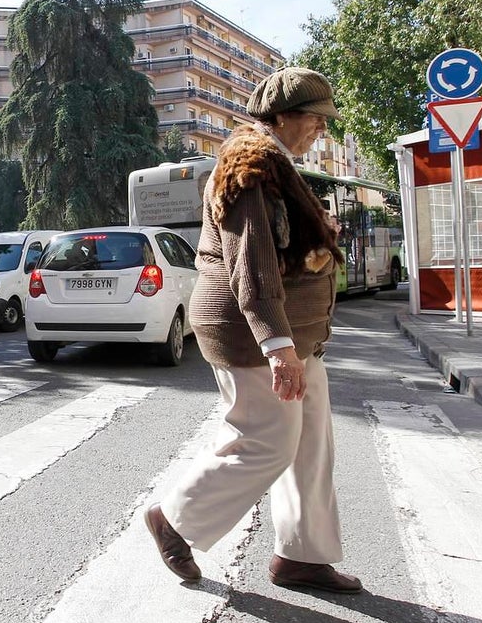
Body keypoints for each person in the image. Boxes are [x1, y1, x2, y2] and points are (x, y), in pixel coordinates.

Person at [144, 67, 362, 595]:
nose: (321, 131)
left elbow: (278, 241)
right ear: (283, 116)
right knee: (266, 442)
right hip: (254, 335)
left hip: (296, 334)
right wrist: (277, 346)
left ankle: (303, 556)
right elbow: (252, 260)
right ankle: (175, 519)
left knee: (310, 445)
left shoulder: (276, 164)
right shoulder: (251, 165)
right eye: (315, 120)